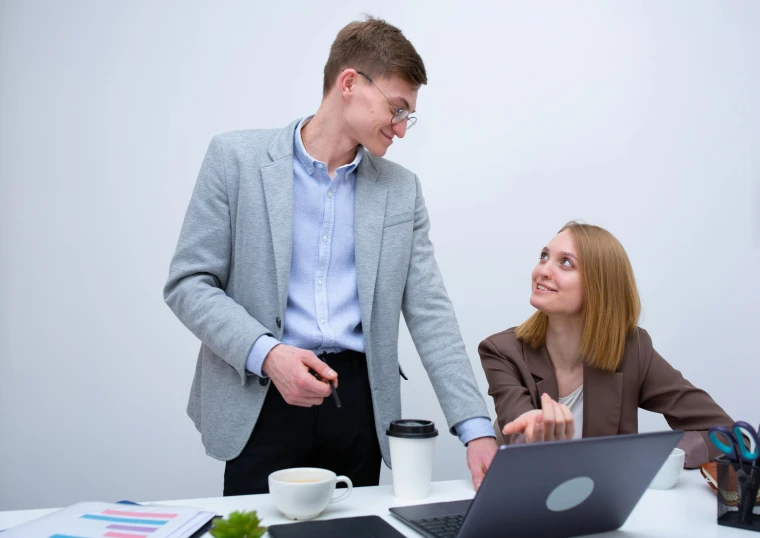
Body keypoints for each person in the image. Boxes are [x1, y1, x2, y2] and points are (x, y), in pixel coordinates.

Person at [164, 16, 497, 496]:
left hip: (358, 405)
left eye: (408, 116)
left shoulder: (402, 191)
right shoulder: (235, 160)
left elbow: (430, 312)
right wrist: (269, 355)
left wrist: (475, 429)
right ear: (349, 83)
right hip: (261, 393)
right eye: (397, 109)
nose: (402, 129)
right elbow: (189, 283)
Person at [478, 221, 733, 468]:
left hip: (604, 505)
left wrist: (663, 457)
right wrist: (529, 436)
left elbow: (725, 432)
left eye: (565, 262)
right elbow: (518, 431)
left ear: (599, 285)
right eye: (544, 256)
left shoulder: (634, 350)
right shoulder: (502, 351)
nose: (542, 270)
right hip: (525, 499)